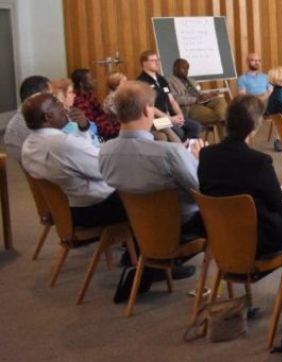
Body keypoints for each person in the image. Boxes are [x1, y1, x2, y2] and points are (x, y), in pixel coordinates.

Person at [99, 81, 205, 269]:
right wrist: (200, 161)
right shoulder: (169, 153)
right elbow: (202, 190)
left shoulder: (105, 151)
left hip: (138, 226)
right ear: (148, 111)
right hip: (179, 229)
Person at [198, 95, 282, 257]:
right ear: (255, 127)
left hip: (221, 234)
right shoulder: (259, 161)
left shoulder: (205, 155)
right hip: (256, 241)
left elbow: (206, 191)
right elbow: (279, 203)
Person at [21, 93, 126, 228]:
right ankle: (142, 244)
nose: (65, 108)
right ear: (48, 116)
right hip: (91, 210)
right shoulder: (63, 144)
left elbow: (81, 155)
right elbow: (107, 169)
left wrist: (83, 129)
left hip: (63, 211)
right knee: (143, 196)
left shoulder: (29, 144)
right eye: (58, 104)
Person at [136, 50, 201, 141]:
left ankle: (188, 151)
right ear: (144, 63)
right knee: (179, 132)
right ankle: (182, 151)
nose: (157, 63)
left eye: (158, 60)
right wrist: (169, 118)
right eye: (153, 60)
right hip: (155, 120)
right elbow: (150, 107)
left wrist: (180, 115)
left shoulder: (161, 79)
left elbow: (172, 100)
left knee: (195, 127)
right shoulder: (141, 82)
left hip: (171, 116)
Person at [167, 58, 228, 129]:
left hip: (202, 102)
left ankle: (224, 119)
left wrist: (208, 95)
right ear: (175, 68)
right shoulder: (169, 81)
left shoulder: (191, 80)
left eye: (187, 69)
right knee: (221, 116)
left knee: (220, 100)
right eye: (183, 69)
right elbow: (176, 99)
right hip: (189, 107)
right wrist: (196, 99)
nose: (186, 71)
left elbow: (199, 93)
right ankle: (225, 120)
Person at [4, 76, 52, 162]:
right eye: (50, 95)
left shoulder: (23, 116)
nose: (52, 99)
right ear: (37, 96)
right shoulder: (32, 121)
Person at [51, 78, 101, 148]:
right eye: (71, 92)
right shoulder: (64, 123)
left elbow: (93, 128)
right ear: (61, 96)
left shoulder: (71, 114)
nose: (74, 95)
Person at [71, 69, 111, 141]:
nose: (94, 80)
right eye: (91, 79)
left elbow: (100, 112)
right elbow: (90, 126)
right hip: (95, 133)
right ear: (82, 84)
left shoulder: (89, 95)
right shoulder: (79, 101)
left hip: (101, 125)